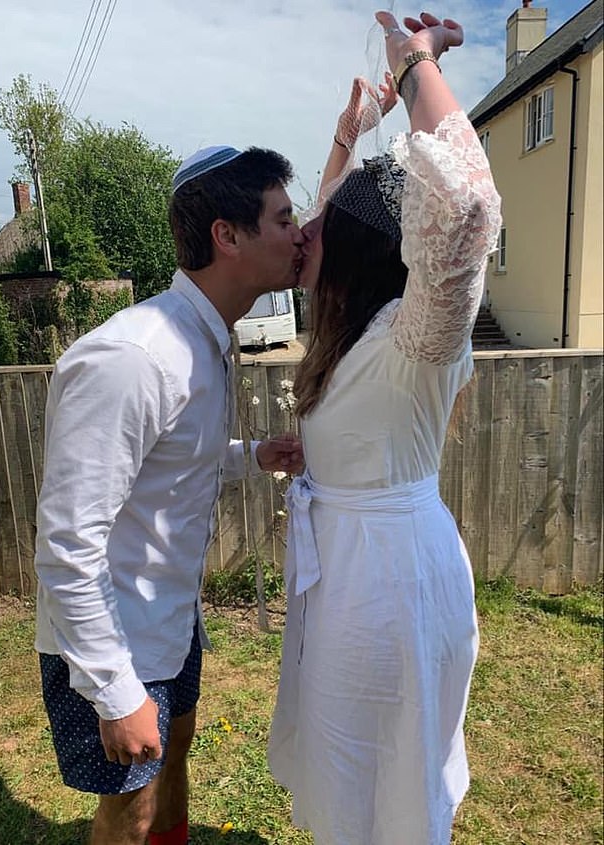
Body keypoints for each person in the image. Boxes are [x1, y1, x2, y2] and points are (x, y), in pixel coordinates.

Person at [268, 9, 502, 845]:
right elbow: (341, 208)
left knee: (393, 781)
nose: (301, 231)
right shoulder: (345, 328)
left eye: (318, 227)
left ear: (359, 250)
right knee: (349, 774)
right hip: (351, 578)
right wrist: (348, 135)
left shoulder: (414, 339)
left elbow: (467, 206)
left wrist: (414, 68)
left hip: (390, 590)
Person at [34, 145, 304, 845]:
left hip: (171, 624)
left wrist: (254, 457)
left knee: (174, 758)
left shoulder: (206, 340)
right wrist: (117, 693)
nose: (298, 232)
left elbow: (174, 463)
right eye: (282, 217)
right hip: (112, 639)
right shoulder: (132, 356)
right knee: (131, 809)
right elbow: (66, 543)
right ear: (228, 234)